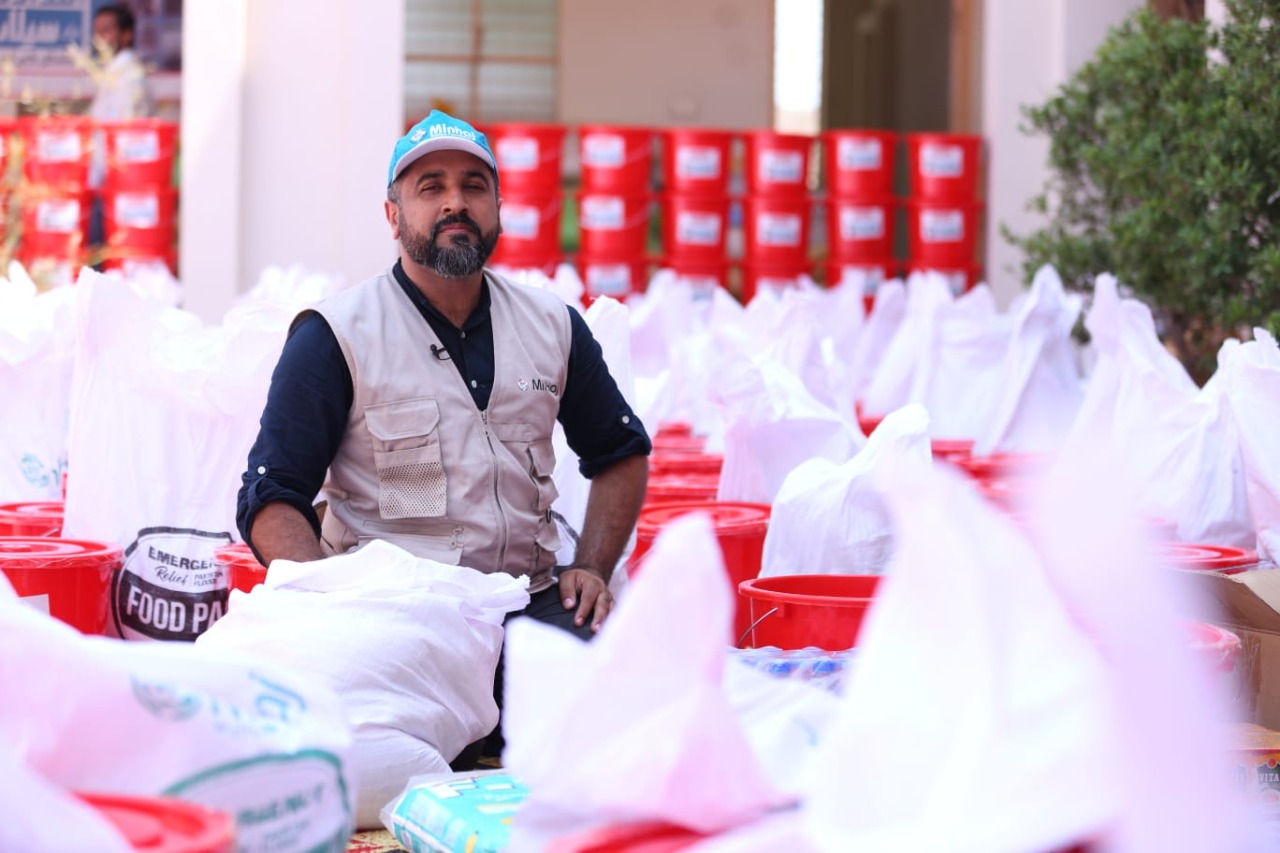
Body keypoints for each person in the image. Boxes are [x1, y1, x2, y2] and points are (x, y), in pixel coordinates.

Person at [236, 110, 651, 646]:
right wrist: (333, 613)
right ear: (393, 215)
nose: (455, 202)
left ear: (498, 210)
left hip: (530, 600)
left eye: (474, 186)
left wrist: (592, 566)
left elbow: (621, 452)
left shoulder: (552, 325)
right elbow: (272, 494)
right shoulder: (335, 335)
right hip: (396, 617)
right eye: (431, 187)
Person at [88, 4, 151, 121]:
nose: (98, 38)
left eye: (105, 30)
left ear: (127, 35)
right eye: (96, 31)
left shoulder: (129, 75)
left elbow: (118, 125)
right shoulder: (114, 71)